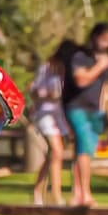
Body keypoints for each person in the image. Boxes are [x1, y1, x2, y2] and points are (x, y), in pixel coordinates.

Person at [62, 22, 108, 208]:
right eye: (104, 40)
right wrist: (100, 66)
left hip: (95, 111)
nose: (107, 45)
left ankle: (77, 194)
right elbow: (81, 80)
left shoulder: (104, 61)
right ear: (95, 37)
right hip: (77, 108)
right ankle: (86, 194)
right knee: (84, 149)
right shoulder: (81, 57)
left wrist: (103, 109)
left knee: (84, 151)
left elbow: (104, 86)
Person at [28, 43, 70, 206]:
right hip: (44, 114)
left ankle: (37, 191)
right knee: (57, 151)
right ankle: (56, 195)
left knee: (53, 155)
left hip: (59, 116)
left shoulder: (67, 72)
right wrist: (45, 95)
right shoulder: (45, 69)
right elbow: (33, 91)